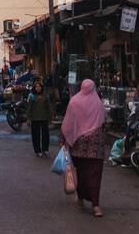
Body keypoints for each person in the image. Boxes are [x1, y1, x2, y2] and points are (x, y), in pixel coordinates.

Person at [59, 79, 108, 217]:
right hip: (95, 146)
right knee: (94, 175)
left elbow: (67, 123)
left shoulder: (74, 101)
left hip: (78, 146)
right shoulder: (98, 104)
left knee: (81, 173)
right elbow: (104, 123)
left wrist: (63, 140)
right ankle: (96, 205)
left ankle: (80, 199)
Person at [26, 79, 55, 157]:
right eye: (36, 87)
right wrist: (28, 118)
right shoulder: (31, 96)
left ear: (42, 87)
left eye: (39, 87)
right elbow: (29, 108)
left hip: (44, 118)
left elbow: (49, 107)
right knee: (36, 136)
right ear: (34, 88)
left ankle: (45, 149)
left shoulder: (46, 95)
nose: (38, 88)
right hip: (35, 119)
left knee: (45, 135)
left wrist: (51, 117)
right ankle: (37, 150)